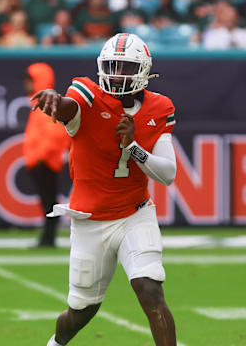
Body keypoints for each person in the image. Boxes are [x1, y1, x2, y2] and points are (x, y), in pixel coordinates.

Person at [31, 33, 178, 345]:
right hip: (90, 220)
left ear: (142, 70)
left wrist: (134, 146)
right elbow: (71, 107)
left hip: (134, 214)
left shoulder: (158, 107)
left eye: (124, 67)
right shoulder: (88, 93)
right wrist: (57, 101)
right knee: (81, 311)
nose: (116, 74)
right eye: (111, 66)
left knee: (150, 289)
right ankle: (55, 343)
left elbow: (167, 173)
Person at [23, 63, 70, 247]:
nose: (26, 84)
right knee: (47, 201)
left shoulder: (48, 104)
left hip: (45, 162)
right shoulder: (40, 104)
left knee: (48, 201)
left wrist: (40, 156)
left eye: (29, 80)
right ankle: (47, 237)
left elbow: (57, 134)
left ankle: (48, 238)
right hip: (40, 161)